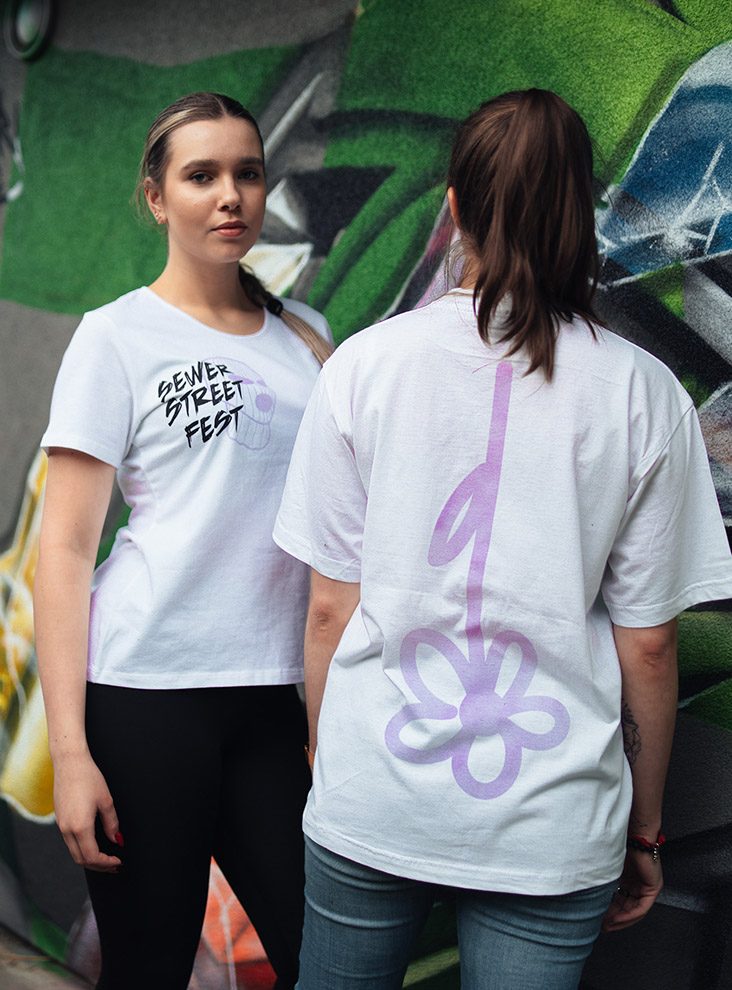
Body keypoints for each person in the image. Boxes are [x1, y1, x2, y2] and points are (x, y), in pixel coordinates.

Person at [272, 89, 732, 990]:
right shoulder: (642, 393)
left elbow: (329, 610)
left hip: (373, 796)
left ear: (453, 206)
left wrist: (333, 761)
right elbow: (649, 644)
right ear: (583, 213)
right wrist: (644, 832)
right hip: (551, 826)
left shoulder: (363, 366)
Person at [33, 91, 332, 990]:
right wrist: (71, 753)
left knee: (327, 959)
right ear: (158, 199)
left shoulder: (310, 338)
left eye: (248, 173)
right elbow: (64, 551)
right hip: (144, 699)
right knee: (149, 968)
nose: (230, 195)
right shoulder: (116, 337)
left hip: (273, 702)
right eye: (201, 176)